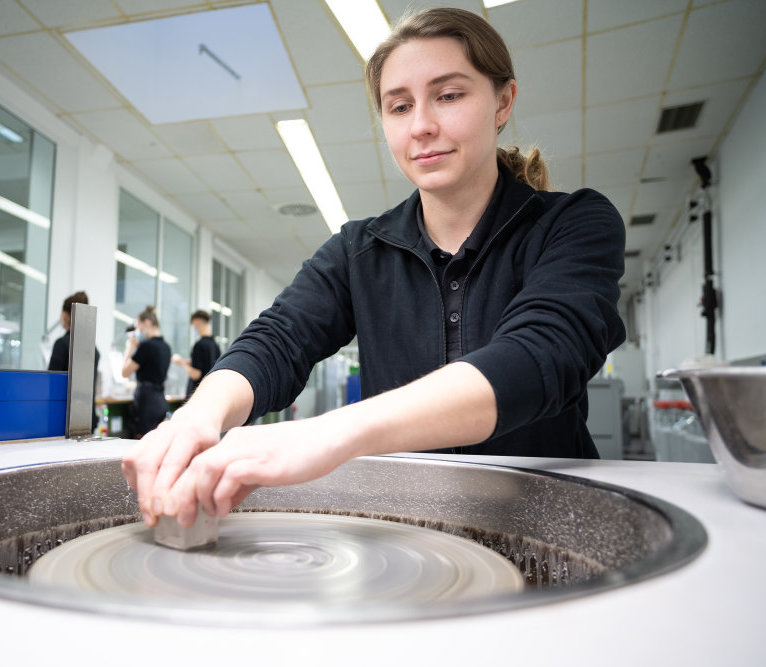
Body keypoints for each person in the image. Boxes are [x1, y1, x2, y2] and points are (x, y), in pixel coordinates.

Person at [123, 8, 626, 529]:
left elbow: (540, 355)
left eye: (449, 95)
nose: (422, 126)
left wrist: (330, 434)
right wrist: (201, 415)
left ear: (503, 102)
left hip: (544, 525)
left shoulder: (574, 222)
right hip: (408, 528)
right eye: (399, 106)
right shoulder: (358, 249)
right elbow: (278, 339)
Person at [48, 291, 101, 430]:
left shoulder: (61, 345)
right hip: (87, 420)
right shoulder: (93, 349)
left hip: (62, 420)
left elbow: (51, 385)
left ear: (64, 315)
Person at [122, 306, 172, 438]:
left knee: (142, 441)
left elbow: (125, 372)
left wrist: (130, 348)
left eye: (138, 326)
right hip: (160, 401)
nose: (137, 330)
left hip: (146, 402)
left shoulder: (146, 346)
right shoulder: (166, 347)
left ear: (147, 323)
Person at [172, 310, 221, 400]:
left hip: (198, 394)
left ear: (197, 322)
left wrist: (182, 362)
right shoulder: (215, 345)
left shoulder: (199, 345)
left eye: (194, 324)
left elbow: (196, 374)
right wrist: (189, 362)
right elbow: (207, 364)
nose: (194, 328)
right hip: (210, 392)